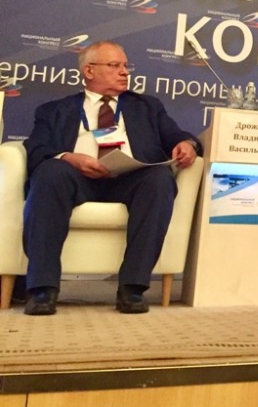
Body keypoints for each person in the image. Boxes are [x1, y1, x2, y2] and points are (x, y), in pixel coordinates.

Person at [22, 41, 201, 315]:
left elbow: (176, 136)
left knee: (159, 179)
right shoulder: (53, 110)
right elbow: (36, 149)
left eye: (125, 66)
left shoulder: (147, 106)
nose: (124, 72)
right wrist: (69, 157)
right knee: (50, 172)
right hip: (76, 177)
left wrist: (187, 144)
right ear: (89, 71)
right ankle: (42, 289)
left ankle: (132, 288)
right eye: (114, 65)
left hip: (130, 179)